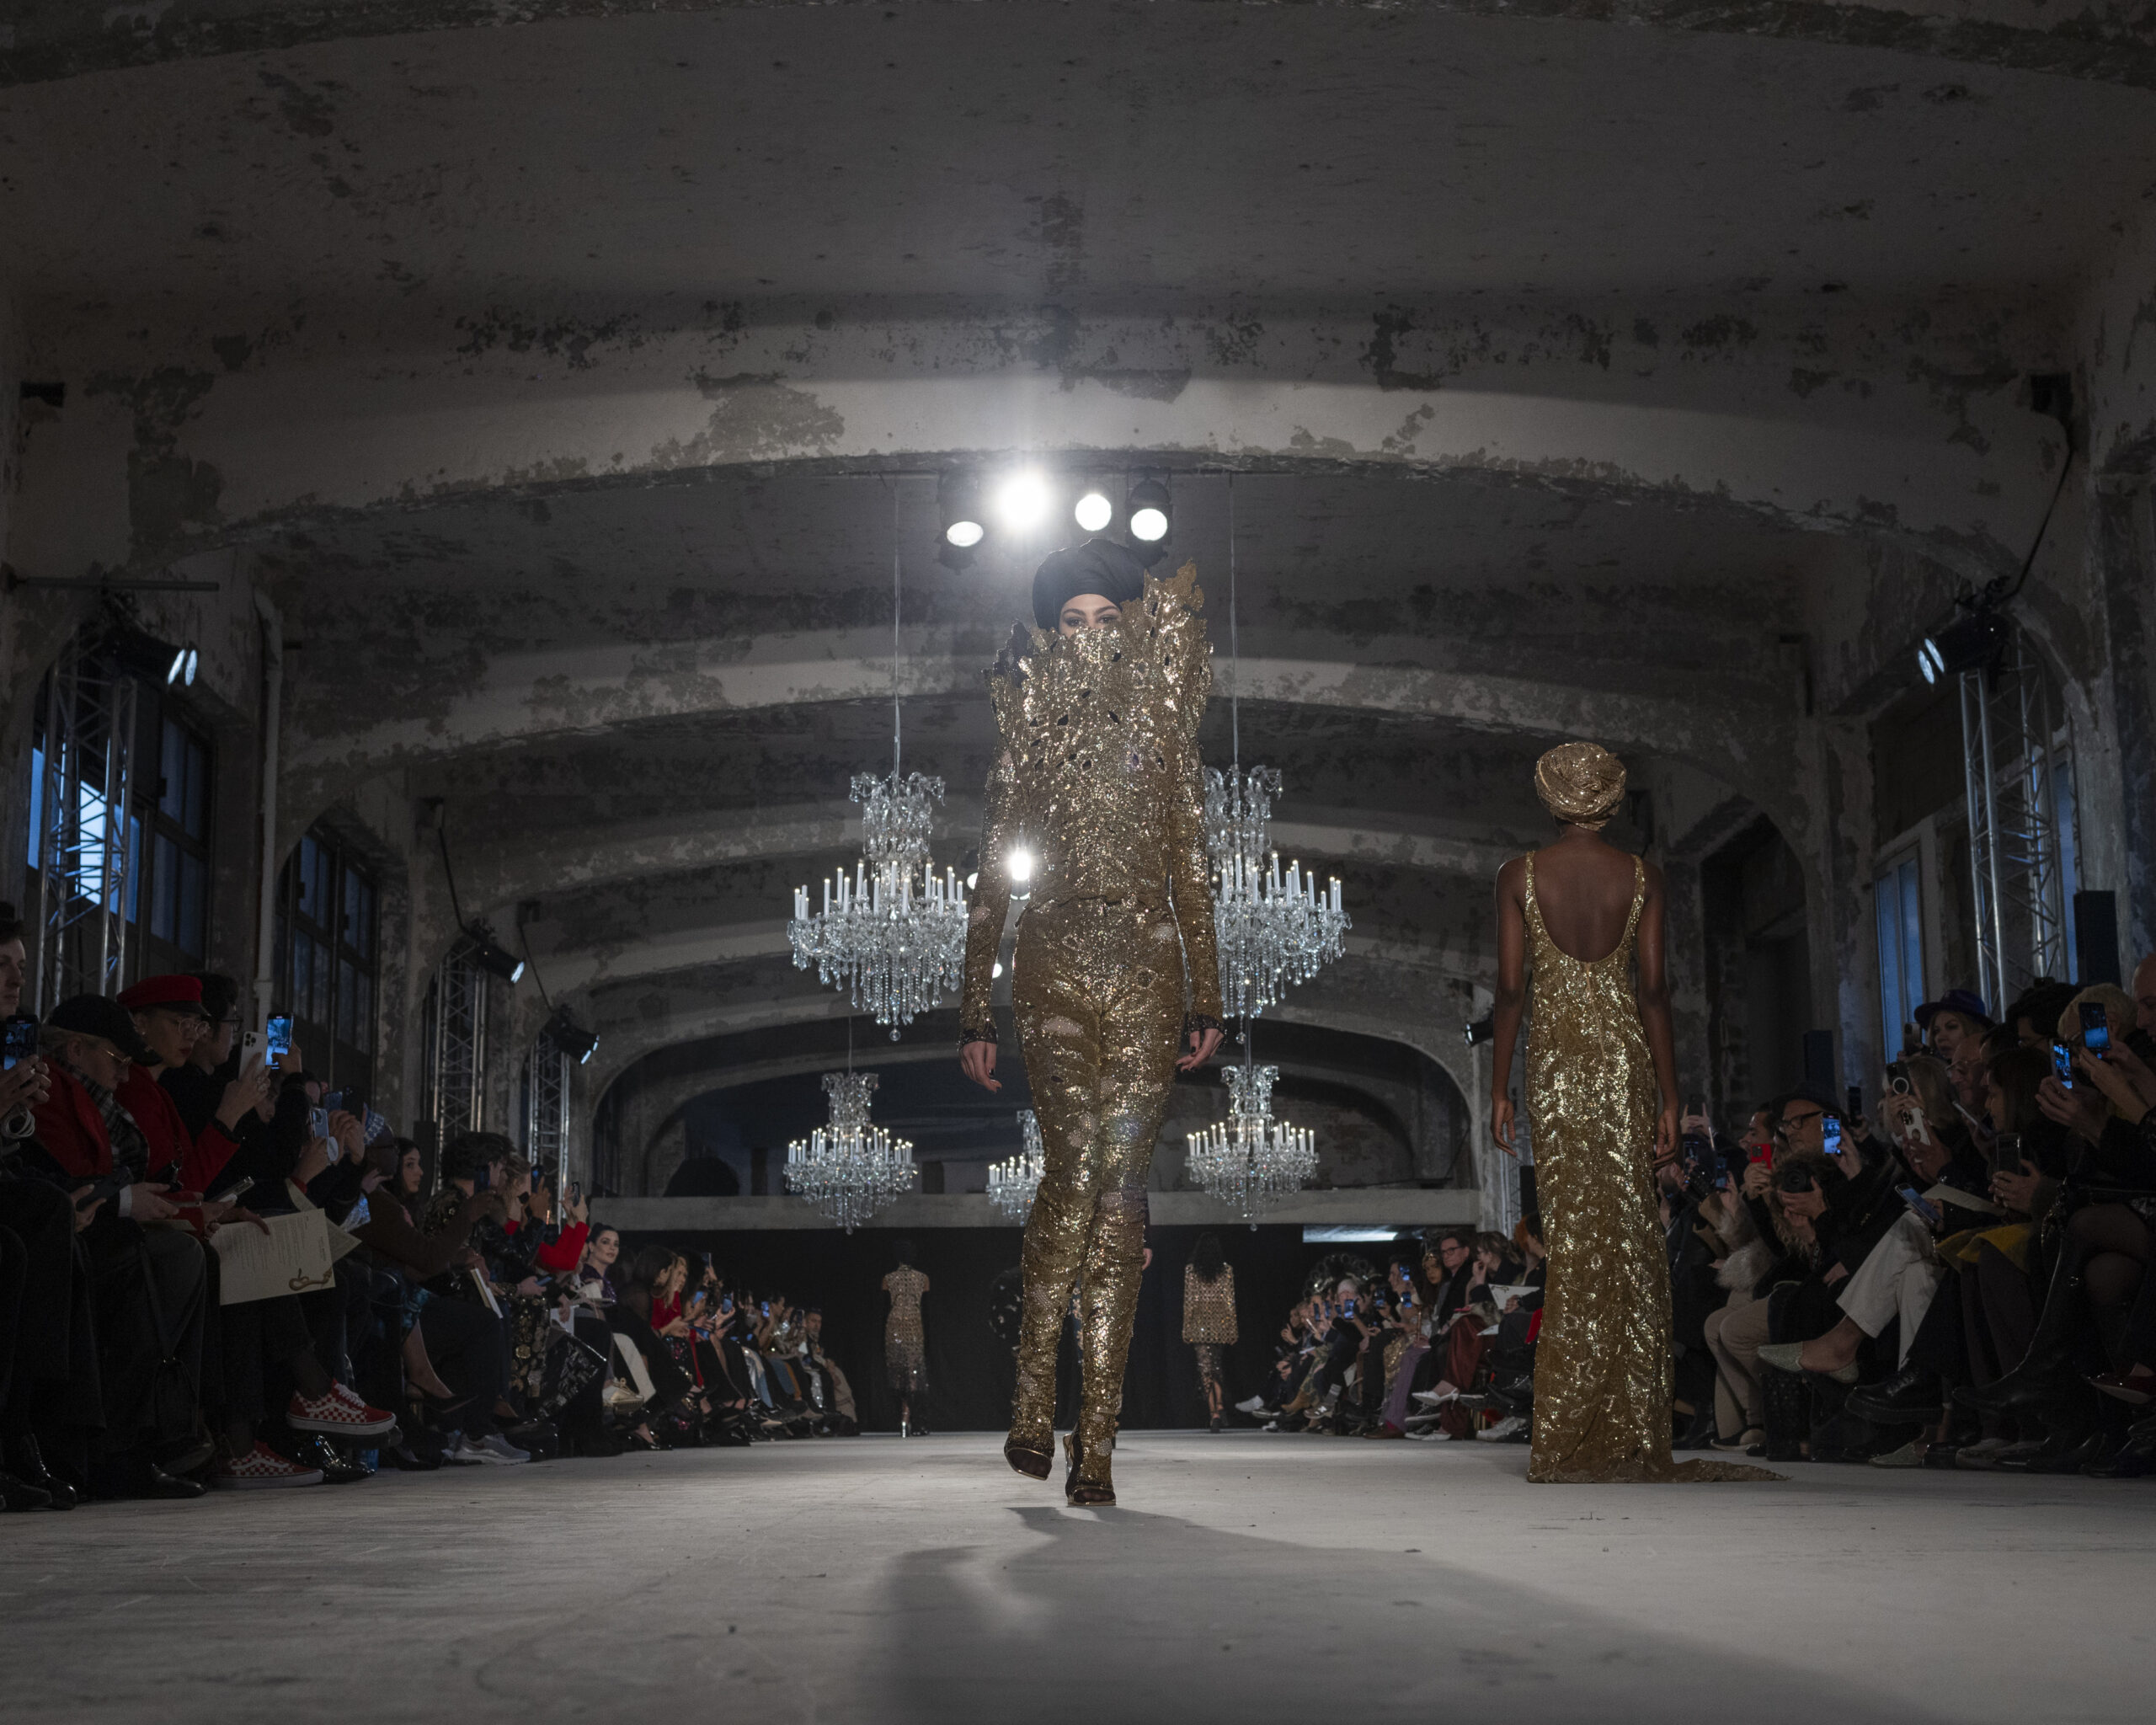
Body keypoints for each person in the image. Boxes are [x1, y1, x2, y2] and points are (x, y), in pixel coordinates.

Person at [958, 538, 1225, 1506]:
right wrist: (972, 1007)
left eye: (1106, 619)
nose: (1088, 636)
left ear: (1133, 628)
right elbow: (993, 873)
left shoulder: (1166, 730)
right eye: (1070, 621)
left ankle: (1097, 1441)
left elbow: (1192, 868)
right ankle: (1033, 1396)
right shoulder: (1027, 727)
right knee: (1074, 1168)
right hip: (1054, 956)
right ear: (1048, 632)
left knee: (1120, 1198)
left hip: (1149, 961)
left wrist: (1208, 995)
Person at [1489, 740, 1774, 1484]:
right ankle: (1628, 1420)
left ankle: (1572, 1419)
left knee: (1572, 1236)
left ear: (1551, 799)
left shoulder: (1518, 875)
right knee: (1628, 1234)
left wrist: (1498, 1087)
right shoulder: (1643, 876)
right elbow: (1653, 992)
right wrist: (1672, 1096)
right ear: (1611, 803)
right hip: (1624, 1064)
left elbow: (1512, 990)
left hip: (1555, 1066)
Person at [1182, 1233, 1237, 1431]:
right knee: (1216, 1367)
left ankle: (1213, 1412)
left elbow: (1189, 1303)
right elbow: (1229, 1304)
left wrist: (1187, 1329)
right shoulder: (1226, 1271)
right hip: (1220, 1325)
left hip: (1200, 1326)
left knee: (1205, 1369)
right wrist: (1232, 1330)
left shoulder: (1191, 1271)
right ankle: (1219, 1405)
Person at [883, 1241, 930, 1436]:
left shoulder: (889, 1279)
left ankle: (903, 1418)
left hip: (894, 1326)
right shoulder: (922, 1279)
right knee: (913, 1372)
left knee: (898, 1372)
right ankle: (914, 1420)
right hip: (914, 1326)